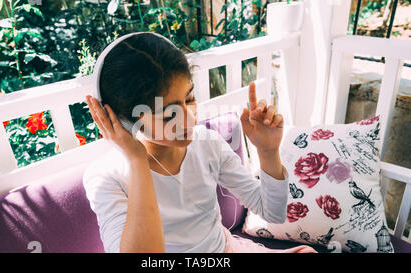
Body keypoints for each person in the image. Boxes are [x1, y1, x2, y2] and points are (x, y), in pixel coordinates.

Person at [83, 32, 317, 253]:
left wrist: (267, 151)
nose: (189, 118)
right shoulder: (106, 176)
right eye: (168, 115)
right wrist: (137, 161)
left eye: (190, 99)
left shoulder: (207, 144)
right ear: (124, 121)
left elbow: (273, 213)